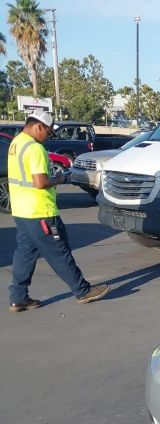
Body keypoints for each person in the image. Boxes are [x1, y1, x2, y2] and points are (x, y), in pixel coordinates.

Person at [7, 111, 109, 312]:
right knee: (59, 252)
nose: (48, 137)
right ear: (38, 127)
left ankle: (18, 298)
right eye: (48, 132)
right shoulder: (35, 149)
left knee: (24, 255)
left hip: (22, 210)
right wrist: (60, 179)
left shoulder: (16, 143)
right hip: (41, 211)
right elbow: (40, 182)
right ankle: (82, 291)